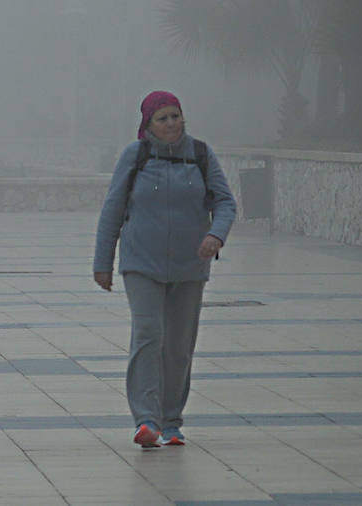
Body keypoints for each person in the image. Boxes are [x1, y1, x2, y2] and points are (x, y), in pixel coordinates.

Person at [93, 91, 236, 448]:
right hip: (142, 263)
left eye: (176, 116)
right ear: (148, 124)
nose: (171, 123)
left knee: (178, 345)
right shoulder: (136, 156)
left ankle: (171, 420)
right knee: (148, 335)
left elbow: (225, 202)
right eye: (163, 118)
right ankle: (146, 420)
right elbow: (113, 209)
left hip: (191, 266)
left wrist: (216, 235)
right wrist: (103, 263)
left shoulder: (201, 155)